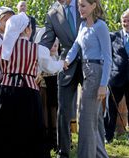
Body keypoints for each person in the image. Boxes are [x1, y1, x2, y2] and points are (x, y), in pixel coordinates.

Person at [0, 12, 64, 158]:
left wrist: (8, 77)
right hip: (29, 94)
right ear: (26, 30)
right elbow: (50, 67)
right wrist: (63, 63)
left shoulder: (0, 50)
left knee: (3, 130)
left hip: (5, 93)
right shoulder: (37, 49)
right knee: (29, 131)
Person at [64, 0, 112, 157]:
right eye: (79, 5)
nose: (80, 9)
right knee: (94, 122)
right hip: (86, 73)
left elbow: (107, 58)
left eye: (83, 5)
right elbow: (75, 47)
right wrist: (66, 61)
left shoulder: (101, 27)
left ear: (93, 6)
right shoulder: (83, 25)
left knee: (85, 120)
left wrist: (103, 85)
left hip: (96, 74)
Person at [40, 0, 83, 157]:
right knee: (63, 110)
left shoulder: (86, 3)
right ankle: (63, 151)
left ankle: (92, 148)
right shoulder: (52, 14)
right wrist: (32, 52)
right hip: (66, 65)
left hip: (89, 63)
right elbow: (46, 41)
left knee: (91, 110)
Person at [104, 9, 129, 143]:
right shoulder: (113, 36)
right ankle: (108, 136)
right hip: (115, 78)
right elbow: (106, 55)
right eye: (124, 20)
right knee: (110, 109)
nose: (126, 23)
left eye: (128, 20)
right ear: (121, 22)